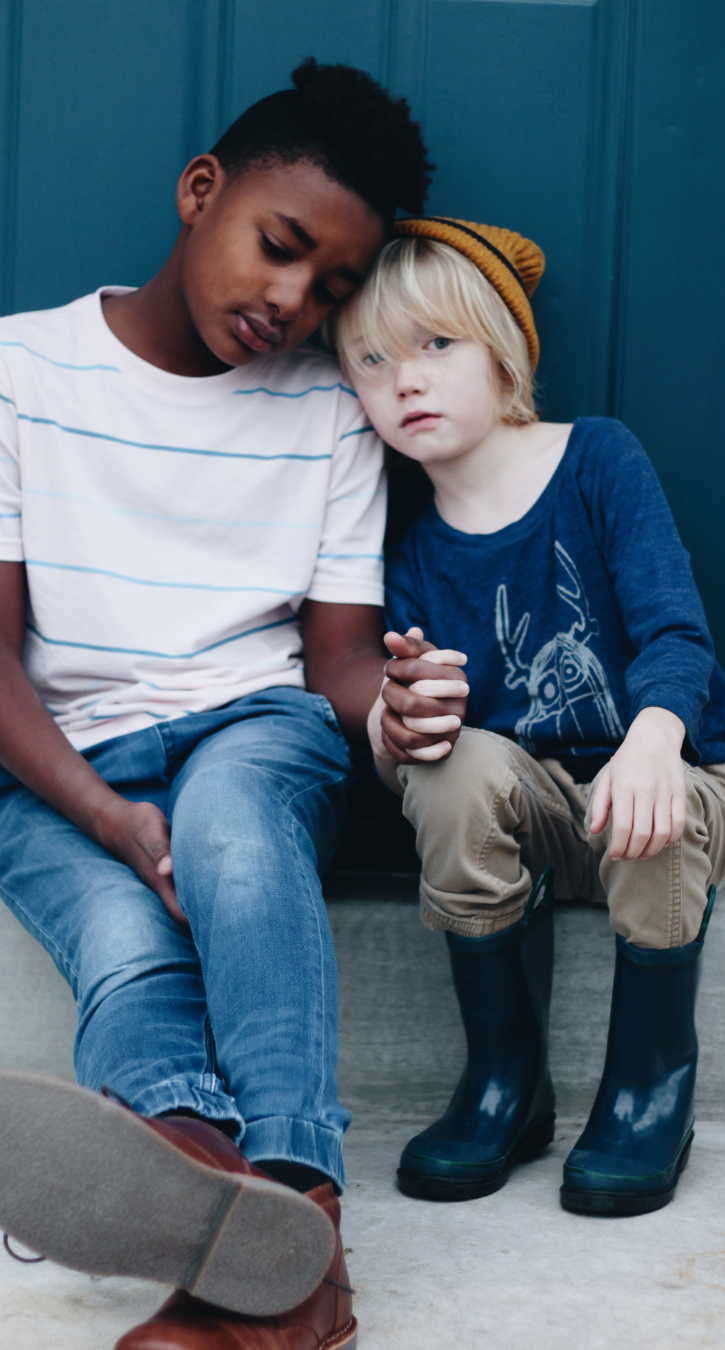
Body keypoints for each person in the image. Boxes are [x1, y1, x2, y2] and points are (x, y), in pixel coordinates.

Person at [0, 61, 468, 1350]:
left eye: (328, 288)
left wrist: (395, 712)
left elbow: (335, 663)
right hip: (53, 762)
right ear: (201, 191)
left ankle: (294, 1205)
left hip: (249, 729)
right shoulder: (20, 374)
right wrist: (103, 815)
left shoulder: (329, 412)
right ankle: (206, 1188)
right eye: (278, 248)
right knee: (124, 943)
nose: (291, 302)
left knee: (232, 836)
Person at [334, 217, 725, 1218]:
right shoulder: (409, 550)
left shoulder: (599, 460)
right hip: (539, 824)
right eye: (372, 359)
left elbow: (675, 633)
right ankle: (506, 1082)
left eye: (436, 344)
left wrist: (657, 738)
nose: (406, 378)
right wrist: (408, 725)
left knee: (658, 796)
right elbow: (425, 748)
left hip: (677, 798)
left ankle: (650, 1087)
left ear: (504, 346)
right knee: (451, 765)